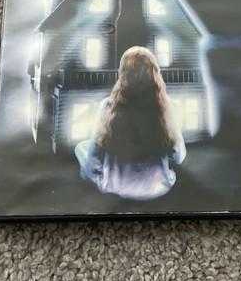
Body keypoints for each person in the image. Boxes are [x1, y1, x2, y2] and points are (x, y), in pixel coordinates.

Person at [74, 46, 186, 201]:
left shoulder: (107, 105)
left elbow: (94, 161)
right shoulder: (167, 106)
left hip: (115, 186)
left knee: (81, 148)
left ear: (123, 74)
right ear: (155, 73)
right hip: (159, 187)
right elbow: (178, 156)